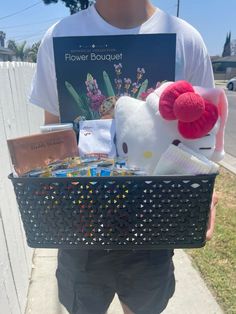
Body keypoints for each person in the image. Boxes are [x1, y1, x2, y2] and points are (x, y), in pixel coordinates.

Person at [29, 1, 218, 313]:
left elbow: (203, 135)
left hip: (153, 227)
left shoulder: (185, 40)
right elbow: (53, 134)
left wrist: (205, 196)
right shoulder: (59, 36)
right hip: (81, 230)